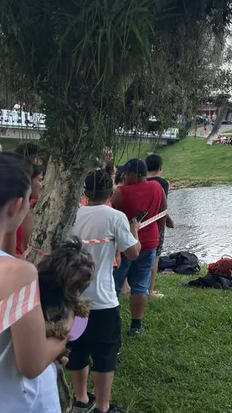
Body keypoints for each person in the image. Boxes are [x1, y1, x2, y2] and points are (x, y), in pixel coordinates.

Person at [0, 152, 68, 412]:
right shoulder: (17, 275)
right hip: (8, 401)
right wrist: (63, 333)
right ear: (16, 206)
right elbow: (32, 364)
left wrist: (9, 229)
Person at [68, 170, 141, 413]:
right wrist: (135, 230)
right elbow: (133, 253)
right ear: (111, 193)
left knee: (76, 346)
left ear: (85, 193)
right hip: (103, 302)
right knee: (105, 353)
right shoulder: (116, 217)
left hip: (74, 301)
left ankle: (80, 400)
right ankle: (102, 406)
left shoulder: (72, 215)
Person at [111, 158, 167, 337]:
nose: (123, 176)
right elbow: (163, 214)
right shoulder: (157, 188)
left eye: (126, 173)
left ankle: (112, 325)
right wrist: (157, 235)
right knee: (141, 285)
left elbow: (113, 216)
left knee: (115, 285)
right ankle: (136, 326)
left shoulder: (121, 192)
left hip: (126, 244)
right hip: (150, 243)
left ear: (134, 174)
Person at [145, 154, 174, 299]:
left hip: (138, 223)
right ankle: (150, 290)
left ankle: (127, 287)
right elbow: (162, 205)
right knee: (155, 256)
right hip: (156, 224)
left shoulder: (140, 181)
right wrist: (169, 220)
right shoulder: (163, 183)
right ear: (160, 169)